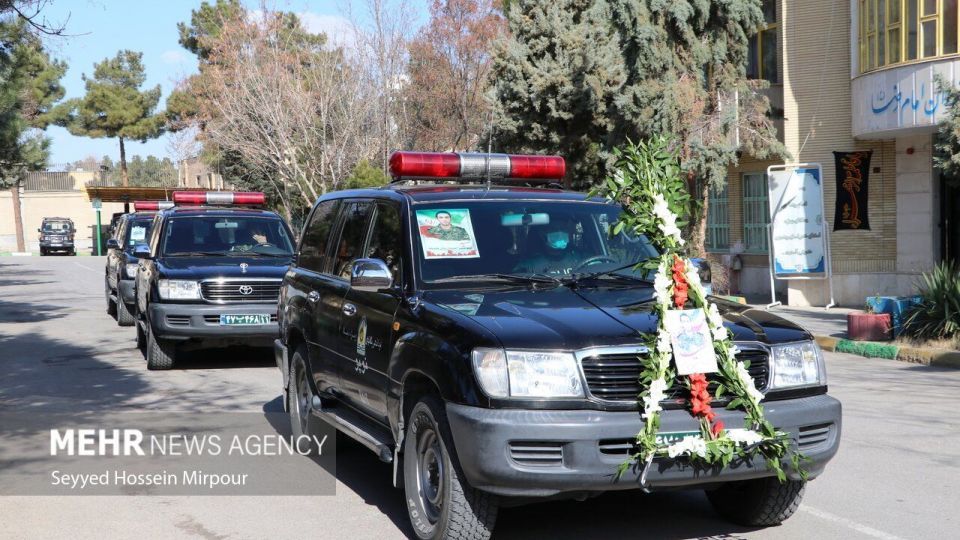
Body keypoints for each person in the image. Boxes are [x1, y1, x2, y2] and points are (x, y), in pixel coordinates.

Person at [512, 222, 584, 276]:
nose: (559, 233)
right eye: (553, 229)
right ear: (542, 234)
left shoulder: (581, 258)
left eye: (563, 228)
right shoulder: (528, 266)